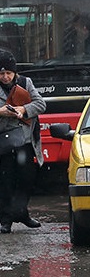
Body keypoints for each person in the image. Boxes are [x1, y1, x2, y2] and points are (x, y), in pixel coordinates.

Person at [0, 50, 45, 233]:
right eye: (1, 73)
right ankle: (6, 219)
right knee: (5, 182)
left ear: (14, 72)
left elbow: (40, 104)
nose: (5, 77)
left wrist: (23, 109)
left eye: (8, 73)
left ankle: (22, 213)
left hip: (26, 142)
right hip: (4, 143)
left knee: (26, 180)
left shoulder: (26, 83)